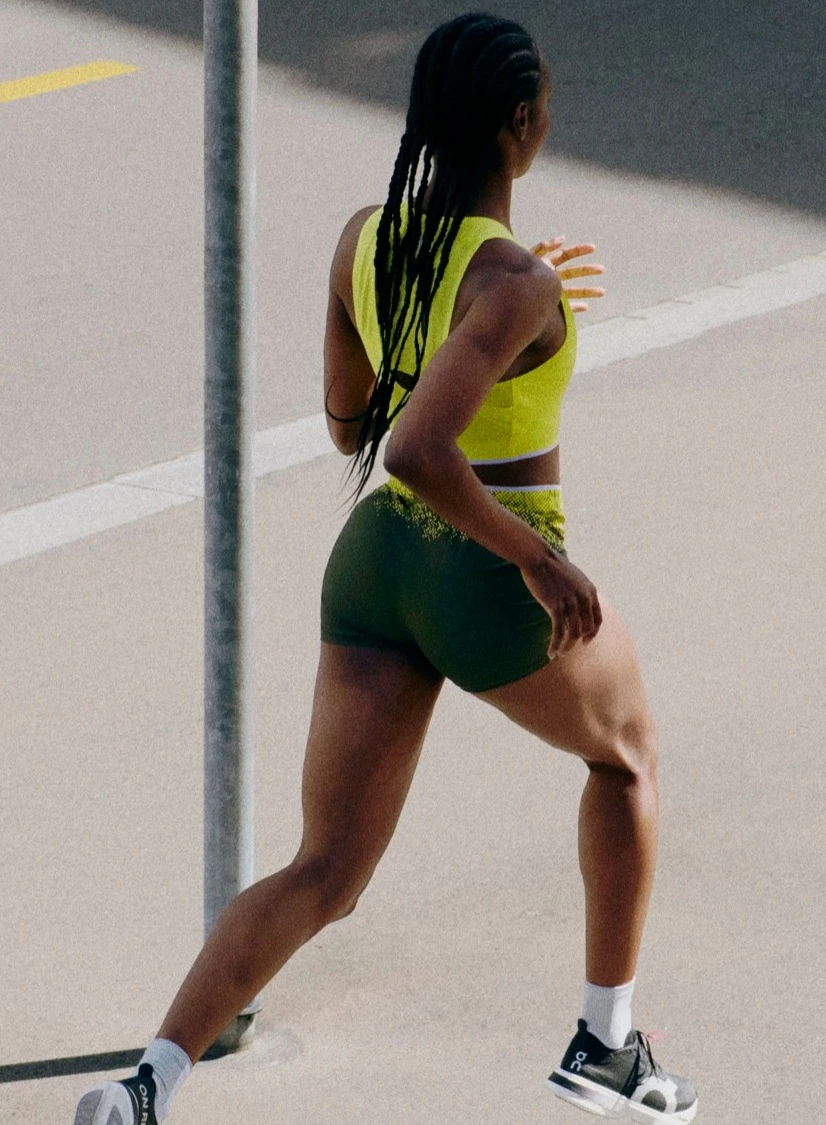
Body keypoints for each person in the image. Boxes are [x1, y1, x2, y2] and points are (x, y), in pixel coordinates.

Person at [75, 13, 696, 1125]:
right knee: (628, 758)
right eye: (545, 106)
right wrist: (538, 561)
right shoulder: (512, 283)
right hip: (485, 573)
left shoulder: (368, 239)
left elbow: (349, 424)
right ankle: (606, 1047)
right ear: (520, 123)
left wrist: (502, 319)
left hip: (374, 566)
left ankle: (144, 1085)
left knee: (324, 870)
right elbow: (417, 445)